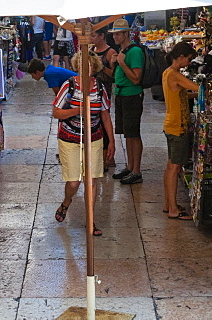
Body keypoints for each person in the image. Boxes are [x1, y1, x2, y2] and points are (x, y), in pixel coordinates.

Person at [52, 52, 114, 237]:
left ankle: (90, 220)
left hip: (94, 137)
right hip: (69, 138)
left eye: (89, 66)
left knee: (92, 180)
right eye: (82, 65)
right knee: (74, 182)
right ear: (77, 67)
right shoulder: (69, 85)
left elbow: (105, 114)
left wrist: (111, 140)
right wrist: (77, 109)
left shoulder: (99, 87)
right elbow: (56, 112)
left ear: (94, 68)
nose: (86, 69)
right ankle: (67, 202)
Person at [162, 41, 198, 220]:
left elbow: (181, 93)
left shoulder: (168, 73)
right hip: (177, 126)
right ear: (181, 57)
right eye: (189, 59)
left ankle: (169, 204)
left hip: (171, 124)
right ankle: (173, 210)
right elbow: (197, 87)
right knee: (175, 167)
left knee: (170, 166)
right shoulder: (175, 75)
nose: (189, 63)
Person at [109, 18, 145, 185]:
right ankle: (130, 167)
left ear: (126, 34)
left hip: (132, 95)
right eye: (114, 34)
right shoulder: (122, 51)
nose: (115, 37)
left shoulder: (134, 52)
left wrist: (122, 63)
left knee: (133, 134)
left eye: (117, 34)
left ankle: (136, 170)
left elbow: (136, 78)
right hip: (122, 94)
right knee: (127, 134)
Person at [90, 28, 118, 168]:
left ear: (102, 36)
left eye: (93, 35)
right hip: (91, 90)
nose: (91, 38)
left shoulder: (110, 52)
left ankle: (107, 157)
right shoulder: (91, 50)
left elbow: (114, 75)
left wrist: (100, 66)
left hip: (103, 91)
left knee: (104, 120)